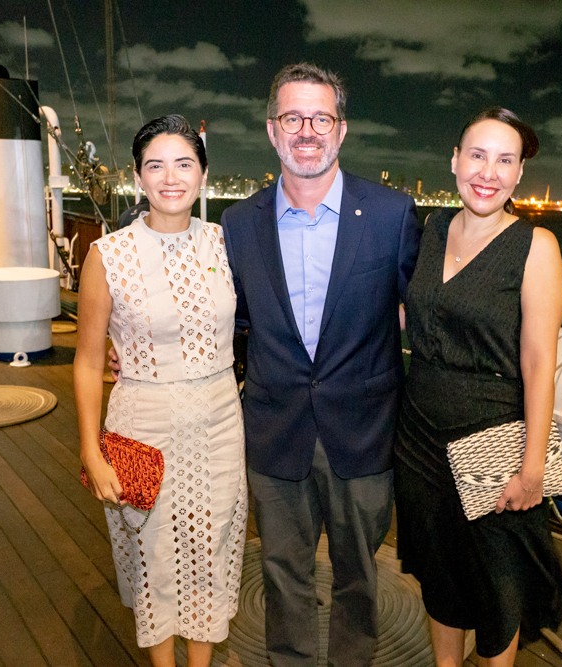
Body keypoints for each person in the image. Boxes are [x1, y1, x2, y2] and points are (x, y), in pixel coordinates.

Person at [220, 63, 420, 666]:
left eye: (321, 118)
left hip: (363, 433)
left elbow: (424, 311)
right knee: (283, 574)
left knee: (360, 576)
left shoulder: (391, 214)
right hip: (276, 430)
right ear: (271, 129)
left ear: (342, 129)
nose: (307, 131)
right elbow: (225, 318)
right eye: (292, 118)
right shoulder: (238, 224)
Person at [393, 108, 562, 667]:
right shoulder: (433, 229)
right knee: (439, 571)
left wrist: (533, 469)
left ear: (519, 174)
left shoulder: (536, 246)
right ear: (454, 161)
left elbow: (539, 363)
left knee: (498, 585)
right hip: (419, 431)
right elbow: (416, 313)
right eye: (477, 155)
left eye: (504, 160)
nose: (488, 172)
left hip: (491, 434)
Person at [75, 114, 247, 667]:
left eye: (184, 164)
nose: (170, 178)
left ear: (203, 174)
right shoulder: (108, 255)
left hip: (220, 424)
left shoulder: (227, 244)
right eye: (156, 166)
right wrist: (90, 449)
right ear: (137, 176)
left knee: (211, 552)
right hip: (143, 426)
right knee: (155, 559)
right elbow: (87, 361)